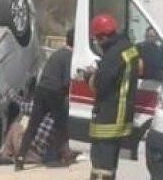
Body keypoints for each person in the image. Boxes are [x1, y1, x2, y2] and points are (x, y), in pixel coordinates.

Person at [85, 13, 140, 180]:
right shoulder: (128, 48)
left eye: (96, 39)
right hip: (122, 114)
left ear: (102, 37)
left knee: (101, 164)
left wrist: (90, 76)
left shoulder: (112, 55)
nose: (96, 42)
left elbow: (101, 84)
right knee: (111, 161)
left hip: (109, 115)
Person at [15, 28, 75, 171]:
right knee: (62, 126)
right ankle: (52, 158)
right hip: (55, 93)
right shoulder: (69, 56)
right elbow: (66, 81)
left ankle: (20, 158)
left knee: (33, 126)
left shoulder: (57, 53)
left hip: (41, 90)